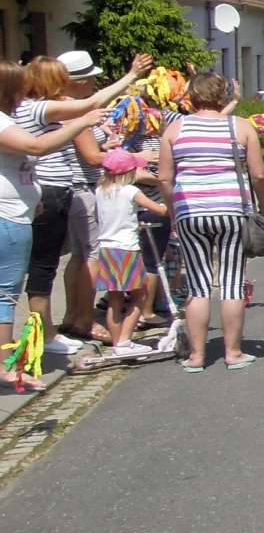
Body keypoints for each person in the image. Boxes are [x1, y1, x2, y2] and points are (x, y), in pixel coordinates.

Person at [14, 51, 152, 354]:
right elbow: (90, 111)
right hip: (53, 191)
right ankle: (55, 330)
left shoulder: (36, 108)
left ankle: (54, 329)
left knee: (48, 266)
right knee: (47, 267)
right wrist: (131, 76)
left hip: (54, 191)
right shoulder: (40, 108)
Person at [0, 62, 110, 388]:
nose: (24, 94)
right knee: (7, 294)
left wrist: (33, 194)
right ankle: (5, 366)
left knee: (7, 293)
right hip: (8, 218)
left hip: (18, 213)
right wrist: (82, 123)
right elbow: (36, 147)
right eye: (19, 88)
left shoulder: (8, 119)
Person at [157, 71, 264, 371]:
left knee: (198, 284)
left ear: (191, 97)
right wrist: (263, 205)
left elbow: (164, 178)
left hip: (190, 213)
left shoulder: (175, 130)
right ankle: (233, 353)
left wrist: (173, 209)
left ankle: (197, 357)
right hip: (231, 211)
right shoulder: (240, 127)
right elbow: (259, 175)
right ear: (222, 96)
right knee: (232, 282)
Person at [90, 149, 166, 356]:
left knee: (115, 299)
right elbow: (159, 210)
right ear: (129, 172)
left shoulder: (100, 190)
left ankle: (118, 343)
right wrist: (167, 203)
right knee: (140, 296)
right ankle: (124, 340)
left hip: (107, 248)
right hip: (127, 248)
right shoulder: (130, 191)